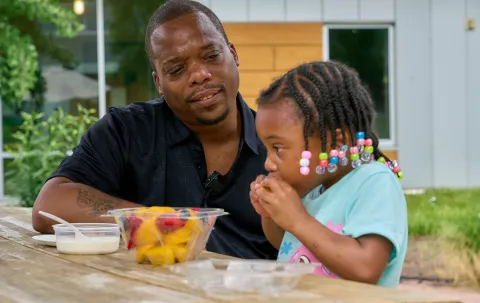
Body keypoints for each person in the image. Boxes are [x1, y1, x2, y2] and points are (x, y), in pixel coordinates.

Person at [32, 0, 278, 260]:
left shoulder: (281, 146)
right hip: (150, 294)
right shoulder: (127, 131)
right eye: (176, 69)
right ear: (159, 82)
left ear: (234, 54)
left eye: (211, 55)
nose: (199, 74)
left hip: (255, 295)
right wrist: (161, 222)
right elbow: (50, 205)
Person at [249, 60, 408, 287]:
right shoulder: (312, 186)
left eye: (278, 148)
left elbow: (366, 268)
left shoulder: (375, 183)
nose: (268, 163)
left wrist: (297, 219)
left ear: (334, 142)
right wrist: (270, 214)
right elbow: (283, 244)